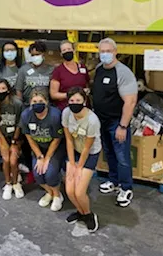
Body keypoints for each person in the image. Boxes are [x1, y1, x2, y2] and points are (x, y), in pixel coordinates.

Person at [92, 38, 138, 208]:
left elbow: (130, 101)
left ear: (115, 52)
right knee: (109, 153)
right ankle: (114, 180)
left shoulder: (123, 73)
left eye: (108, 51)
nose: (104, 54)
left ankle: (126, 188)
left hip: (116, 122)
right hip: (101, 121)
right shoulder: (99, 69)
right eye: (102, 51)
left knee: (122, 157)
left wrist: (123, 126)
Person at [20, 88, 66, 211]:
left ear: (46, 102)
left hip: (55, 148)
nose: (37, 103)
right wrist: (40, 156)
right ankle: (50, 192)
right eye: (34, 101)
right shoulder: (26, 115)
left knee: (50, 173)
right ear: (30, 103)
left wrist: (47, 158)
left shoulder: (55, 115)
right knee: (38, 174)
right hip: (38, 148)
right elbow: (29, 138)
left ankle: (57, 195)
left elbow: (57, 139)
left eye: (40, 100)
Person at [63, 87, 101, 232]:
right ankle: (81, 212)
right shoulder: (67, 113)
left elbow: (87, 147)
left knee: (79, 191)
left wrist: (79, 168)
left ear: (84, 101)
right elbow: (68, 140)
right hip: (74, 150)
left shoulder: (92, 120)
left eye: (78, 100)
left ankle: (89, 215)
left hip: (89, 152)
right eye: (71, 100)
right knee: (69, 190)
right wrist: (72, 164)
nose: (74, 103)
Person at [0, 79, 25, 200]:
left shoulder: (17, 103)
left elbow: (20, 123)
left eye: (3, 88)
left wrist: (14, 141)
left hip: (15, 136)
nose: (0, 91)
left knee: (14, 161)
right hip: (2, 136)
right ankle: (8, 183)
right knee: (6, 159)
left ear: (8, 89)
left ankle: (16, 183)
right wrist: (2, 140)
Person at [50, 40, 90, 111]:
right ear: (61, 54)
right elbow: (53, 94)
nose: (67, 51)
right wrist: (72, 95)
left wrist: (86, 91)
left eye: (69, 49)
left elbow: (87, 85)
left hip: (83, 108)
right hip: (65, 108)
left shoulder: (83, 68)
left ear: (74, 50)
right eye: (64, 50)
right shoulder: (58, 71)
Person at [16, 41, 54, 106]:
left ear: (44, 54)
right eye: (33, 55)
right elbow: (19, 90)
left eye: (37, 54)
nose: (35, 57)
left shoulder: (51, 69)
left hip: (46, 105)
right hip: (28, 105)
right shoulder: (23, 69)